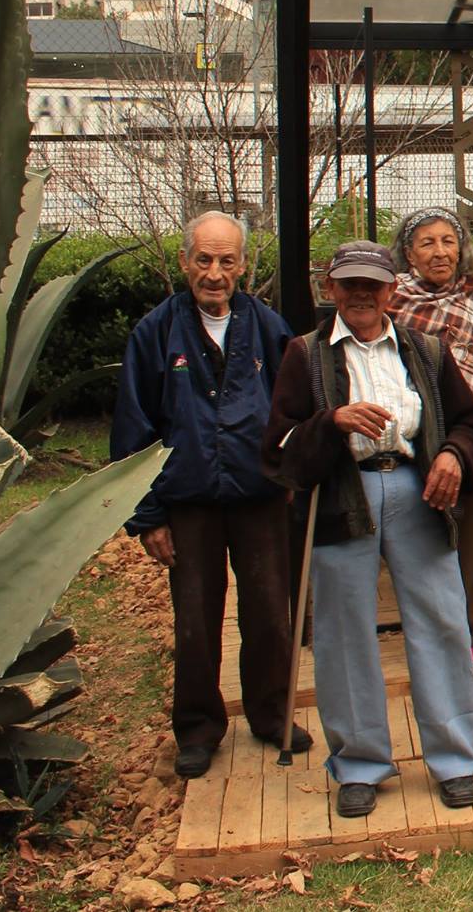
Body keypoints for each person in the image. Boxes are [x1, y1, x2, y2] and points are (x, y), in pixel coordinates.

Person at [261, 242, 473, 819]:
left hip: (418, 490)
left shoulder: (426, 350)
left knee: (441, 620)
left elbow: (471, 424)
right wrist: (331, 422)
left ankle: (454, 758)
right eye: (350, 285)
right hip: (343, 496)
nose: (361, 295)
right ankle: (361, 763)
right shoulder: (304, 355)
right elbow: (277, 449)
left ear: (392, 290)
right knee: (344, 632)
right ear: (330, 289)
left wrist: (453, 458)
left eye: (373, 285)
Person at [115, 212, 302, 780]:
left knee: (270, 613)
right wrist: (149, 517)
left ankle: (271, 715)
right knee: (195, 620)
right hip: (188, 502)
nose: (214, 273)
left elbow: (293, 409)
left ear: (243, 266)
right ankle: (197, 730)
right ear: (184, 263)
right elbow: (133, 426)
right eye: (204, 260)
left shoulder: (269, 328)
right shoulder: (155, 332)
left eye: (226, 261)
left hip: (259, 497)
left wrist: (291, 475)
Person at [390, 208, 473, 669]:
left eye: (448, 242)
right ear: (408, 253)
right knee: (424, 539)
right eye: (428, 243)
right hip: (420, 438)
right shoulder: (394, 301)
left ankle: (468, 631)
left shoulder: (469, 295)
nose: (440, 252)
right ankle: (426, 636)